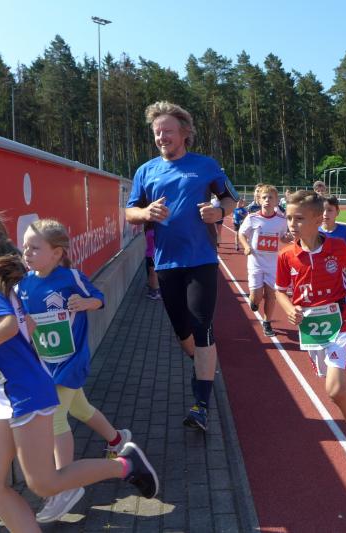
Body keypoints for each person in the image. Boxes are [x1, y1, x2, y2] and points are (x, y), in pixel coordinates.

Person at [0, 198, 158, 531]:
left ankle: (125, 465)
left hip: (25, 394)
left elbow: (6, 327)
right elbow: (26, 327)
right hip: (3, 393)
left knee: (44, 483)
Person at [125, 101, 238, 432]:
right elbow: (129, 212)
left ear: (185, 133)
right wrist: (145, 213)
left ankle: (201, 404)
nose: (162, 137)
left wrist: (219, 212)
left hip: (201, 259)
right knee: (183, 333)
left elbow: (230, 198)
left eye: (168, 131)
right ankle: (202, 364)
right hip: (166, 263)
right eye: (157, 132)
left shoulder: (205, 165)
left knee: (203, 327)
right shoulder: (146, 171)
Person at [17, 219, 135, 522]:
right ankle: (117, 440)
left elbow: (99, 299)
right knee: (81, 409)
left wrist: (85, 302)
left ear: (57, 253)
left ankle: (64, 486)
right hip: (45, 364)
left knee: (56, 418)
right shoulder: (23, 284)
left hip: (71, 362)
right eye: (25, 246)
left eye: (34, 248)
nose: (27, 252)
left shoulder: (70, 277)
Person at [274, 190, 346, 477]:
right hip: (311, 329)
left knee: (334, 388)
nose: (292, 224)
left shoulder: (336, 247)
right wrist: (288, 308)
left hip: (341, 322)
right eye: (289, 218)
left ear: (318, 219)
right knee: (331, 385)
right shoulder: (286, 256)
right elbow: (280, 291)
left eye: (298, 219)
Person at [238, 184, 290, 337]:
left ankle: (267, 322)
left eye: (270, 198)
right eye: (264, 197)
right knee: (257, 296)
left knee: (271, 295)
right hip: (255, 263)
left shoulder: (281, 220)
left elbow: (282, 237)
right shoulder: (252, 218)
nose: (267, 200)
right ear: (259, 200)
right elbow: (241, 234)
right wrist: (246, 246)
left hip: (273, 264)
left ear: (276, 201)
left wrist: (287, 238)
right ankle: (254, 301)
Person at [144, 227, 161, 299]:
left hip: (150, 255)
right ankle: (154, 290)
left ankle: (155, 292)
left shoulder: (149, 232)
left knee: (152, 274)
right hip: (153, 255)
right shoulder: (156, 231)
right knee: (153, 274)